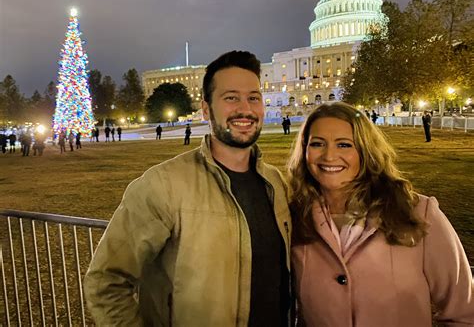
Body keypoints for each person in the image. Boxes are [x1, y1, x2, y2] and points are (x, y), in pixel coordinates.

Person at [84, 51, 291, 326]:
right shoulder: (162, 185)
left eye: (253, 97)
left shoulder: (278, 184)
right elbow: (106, 281)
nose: (246, 109)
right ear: (206, 108)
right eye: (231, 97)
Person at [288, 102, 473, 326]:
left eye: (344, 145)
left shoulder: (418, 213)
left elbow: (464, 311)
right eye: (317, 143)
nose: (329, 156)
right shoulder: (295, 218)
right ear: (305, 151)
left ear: (366, 151)